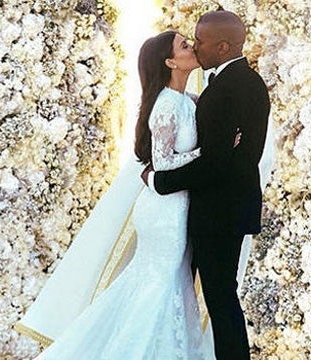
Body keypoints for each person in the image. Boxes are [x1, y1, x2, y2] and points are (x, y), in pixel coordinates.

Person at [22, 30, 219, 359]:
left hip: (179, 207)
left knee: (167, 284)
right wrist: (205, 154)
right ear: (170, 61)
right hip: (163, 213)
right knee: (161, 285)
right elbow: (164, 162)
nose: (192, 47)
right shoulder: (165, 105)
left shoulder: (187, 100)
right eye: (185, 46)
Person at [142, 10, 271, 360]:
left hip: (220, 212)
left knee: (220, 299)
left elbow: (217, 163)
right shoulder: (237, 82)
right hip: (224, 208)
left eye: (200, 41)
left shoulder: (232, 87)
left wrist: (160, 181)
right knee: (216, 297)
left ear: (224, 46)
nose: (196, 46)